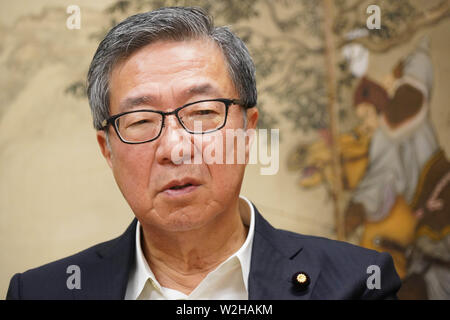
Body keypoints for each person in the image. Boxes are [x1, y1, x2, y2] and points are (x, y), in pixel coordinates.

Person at [6, 7, 400, 300]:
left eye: (201, 113)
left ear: (248, 130)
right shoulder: (42, 292)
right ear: (107, 149)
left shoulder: (357, 283)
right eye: (141, 120)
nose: (175, 148)